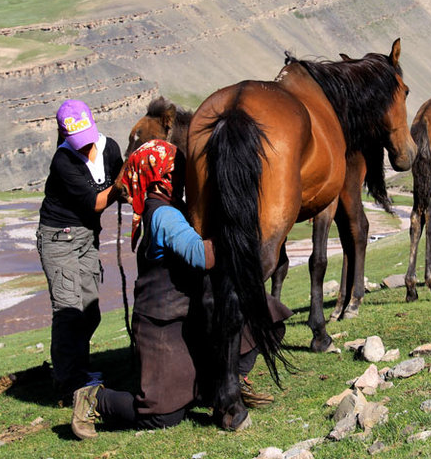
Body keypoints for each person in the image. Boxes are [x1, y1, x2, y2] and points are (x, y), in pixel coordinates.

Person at [71, 139, 284, 439]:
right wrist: (238, 233)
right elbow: (202, 255)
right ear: (164, 175)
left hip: (187, 317)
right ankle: (95, 400)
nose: (186, 174)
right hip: (163, 325)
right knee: (162, 414)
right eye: (179, 168)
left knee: (268, 317)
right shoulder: (163, 214)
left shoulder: (174, 207)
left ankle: (223, 385)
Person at [36, 99, 124, 403]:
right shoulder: (63, 161)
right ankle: (67, 383)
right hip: (58, 238)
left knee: (90, 310)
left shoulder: (109, 147)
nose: (84, 146)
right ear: (63, 135)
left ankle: (76, 368)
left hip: (88, 237)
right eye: (77, 141)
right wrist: (125, 182)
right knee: (68, 309)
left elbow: (119, 185)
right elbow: (96, 202)